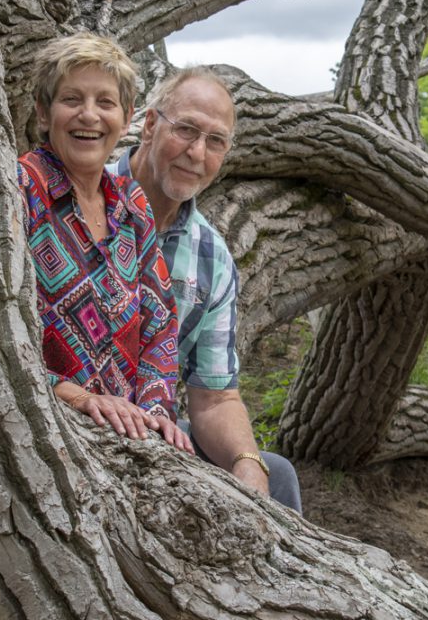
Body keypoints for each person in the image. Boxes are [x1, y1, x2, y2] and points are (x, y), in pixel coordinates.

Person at [109, 67, 302, 512]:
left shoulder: (211, 258)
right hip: (77, 412)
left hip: (155, 429)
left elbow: (215, 396)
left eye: (216, 141)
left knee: (277, 475)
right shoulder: (81, 195)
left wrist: (246, 461)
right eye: (187, 130)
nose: (197, 152)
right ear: (151, 125)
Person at [17, 32, 193, 454]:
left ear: (127, 115)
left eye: (106, 102)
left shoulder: (131, 203)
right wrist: (79, 398)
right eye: (72, 99)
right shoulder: (19, 188)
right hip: (49, 427)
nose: (89, 115)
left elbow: (160, 327)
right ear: (43, 113)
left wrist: (155, 413)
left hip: (132, 432)